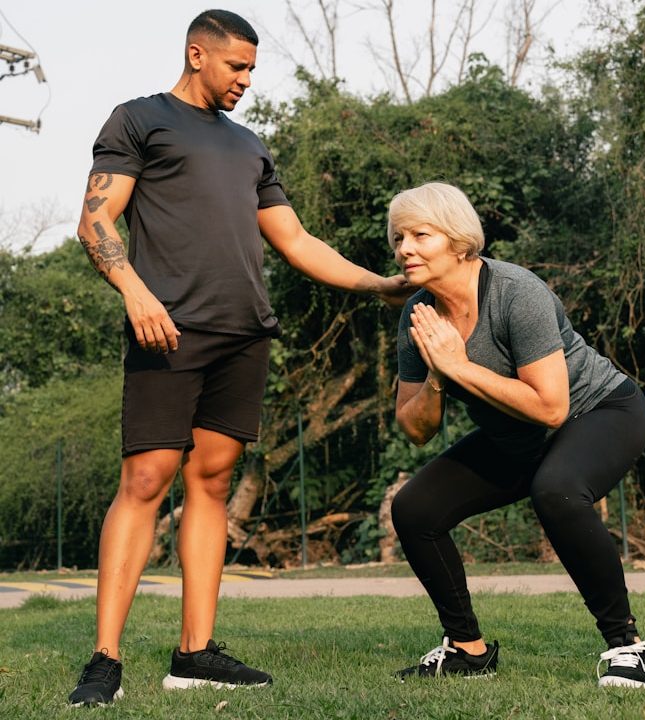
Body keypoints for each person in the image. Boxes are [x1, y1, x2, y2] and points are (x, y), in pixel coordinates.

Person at [68, 10, 409, 708]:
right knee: (146, 479)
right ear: (198, 55)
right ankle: (105, 660)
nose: (247, 80)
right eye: (237, 66)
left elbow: (296, 240)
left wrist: (380, 284)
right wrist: (135, 292)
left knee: (213, 483)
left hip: (244, 332)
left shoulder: (250, 146)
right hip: (168, 328)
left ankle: (195, 653)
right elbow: (95, 219)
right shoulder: (139, 120)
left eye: (252, 69)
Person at [388, 182, 645, 688]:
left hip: (600, 411)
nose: (404, 249)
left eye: (420, 235)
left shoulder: (516, 292)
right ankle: (467, 651)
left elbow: (551, 407)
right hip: (517, 435)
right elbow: (415, 428)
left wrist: (460, 366)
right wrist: (439, 375)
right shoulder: (418, 316)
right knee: (415, 509)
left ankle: (628, 648)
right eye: (399, 238)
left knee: (556, 490)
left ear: (458, 240)